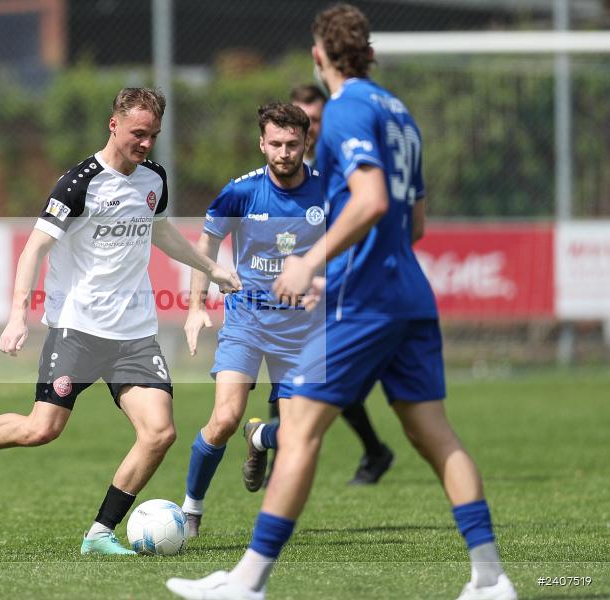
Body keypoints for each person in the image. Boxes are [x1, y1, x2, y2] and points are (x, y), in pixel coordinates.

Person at [166, 5, 517, 600]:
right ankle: (490, 577)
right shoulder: (399, 113)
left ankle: (247, 583)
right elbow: (417, 224)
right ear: (370, 53)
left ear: (318, 55)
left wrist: (315, 261)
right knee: (436, 433)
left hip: (372, 299)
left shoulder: (347, 109)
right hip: (410, 291)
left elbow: (373, 200)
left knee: (296, 430)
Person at [0, 87, 240, 557]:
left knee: (160, 433)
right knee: (42, 430)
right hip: (77, 329)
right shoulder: (79, 183)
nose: (146, 144)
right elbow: (34, 247)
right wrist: (18, 314)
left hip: (135, 333)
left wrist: (211, 268)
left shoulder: (154, 178)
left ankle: (99, 533)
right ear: (113, 124)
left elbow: (159, 231)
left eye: (153, 135)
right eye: (139, 133)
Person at [179, 102, 325, 538]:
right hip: (247, 319)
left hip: (302, 329)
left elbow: (351, 245)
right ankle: (190, 511)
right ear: (262, 144)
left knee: (300, 437)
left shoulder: (329, 192)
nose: (284, 153)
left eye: (292, 144)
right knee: (224, 418)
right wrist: (195, 306)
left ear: (306, 144)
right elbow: (204, 246)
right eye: (275, 144)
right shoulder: (240, 192)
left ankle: (260, 438)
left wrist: (327, 284)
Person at [256, 83, 394, 489]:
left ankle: (280, 455)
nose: (310, 128)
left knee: (319, 375)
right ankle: (370, 450)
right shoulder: (285, 164)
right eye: (305, 119)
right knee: (313, 375)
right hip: (294, 283)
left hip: (332, 282)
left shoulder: (340, 161)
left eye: (316, 120)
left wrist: (320, 273)